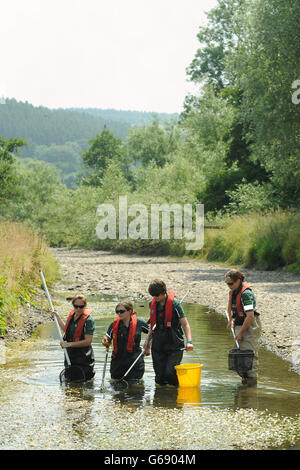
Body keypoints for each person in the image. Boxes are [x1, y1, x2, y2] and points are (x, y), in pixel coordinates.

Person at [144, 279, 193, 387]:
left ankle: (177, 395)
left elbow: (185, 324)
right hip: (158, 344)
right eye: (152, 296)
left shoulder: (175, 304)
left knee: (170, 373)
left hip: (174, 343)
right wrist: (147, 343)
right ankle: (162, 401)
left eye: (156, 295)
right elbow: (152, 326)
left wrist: (189, 341)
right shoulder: (152, 304)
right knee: (160, 378)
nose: (155, 298)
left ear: (163, 292)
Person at [225, 269, 262, 385]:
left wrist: (241, 333)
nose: (228, 286)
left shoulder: (246, 294)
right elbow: (229, 308)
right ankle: (244, 382)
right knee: (239, 356)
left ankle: (251, 387)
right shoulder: (233, 292)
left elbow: (250, 316)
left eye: (231, 283)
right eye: (227, 283)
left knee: (250, 356)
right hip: (239, 323)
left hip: (250, 326)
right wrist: (231, 320)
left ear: (239, 281)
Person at [102, 301, 149, 384]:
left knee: (134, 385)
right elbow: (107, 337)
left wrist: (148, 346)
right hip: (118, 360)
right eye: (117, 311)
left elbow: (152, 333)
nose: (119, 314)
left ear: (130, 311)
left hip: (134, 360)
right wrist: (105, 341)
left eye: (122, 311)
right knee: (116, 384)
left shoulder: (139, 323)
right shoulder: (114, 324)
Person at [52, 294, 95, 380]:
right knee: (70, 379)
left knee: (83, 381)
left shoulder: (89, 321)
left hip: (83, 357)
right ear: (73, 306)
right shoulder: (72, 317)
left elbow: (88, 341)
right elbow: (66, 329)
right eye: (76, 306)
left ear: (85, 306)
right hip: (71, 355)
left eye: (81, 307)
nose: (78, 309)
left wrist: (68, 344)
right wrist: (57, 318)